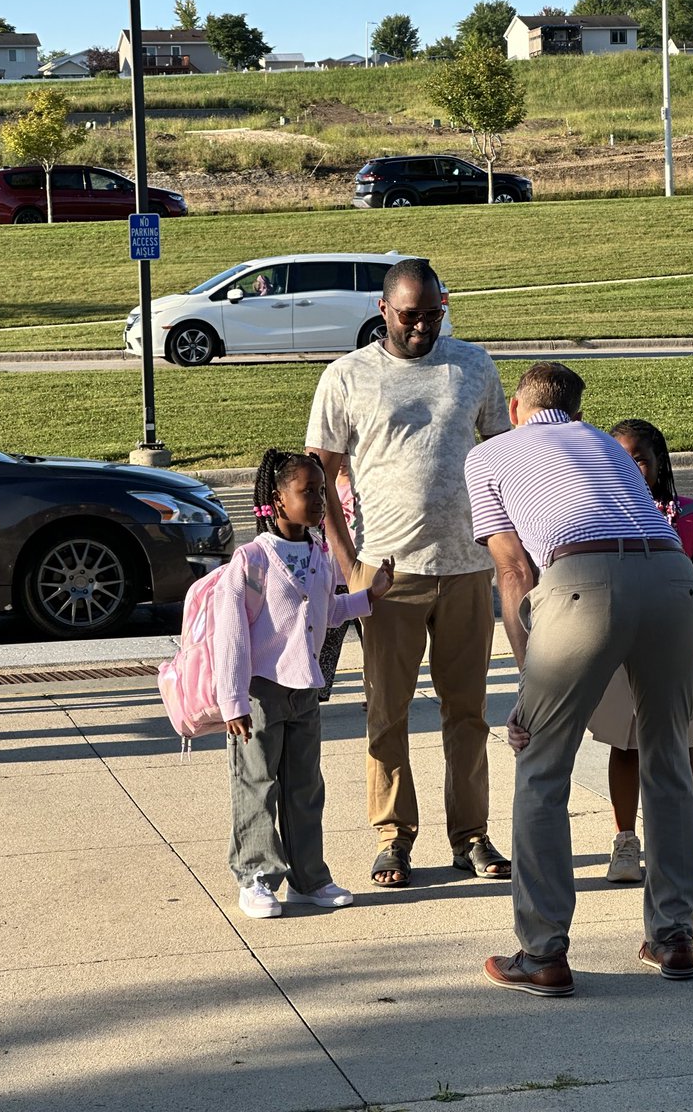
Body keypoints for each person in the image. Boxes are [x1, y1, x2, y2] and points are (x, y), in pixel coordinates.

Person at [465, 362, 693, 995]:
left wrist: (529, 684)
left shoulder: (489, 455)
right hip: (674, 580)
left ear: (516, 406)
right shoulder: (602, 442)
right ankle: (672, 937)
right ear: (573, 410)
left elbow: (513, 571)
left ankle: (543, 951)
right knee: (669, 758)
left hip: (582, 583)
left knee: (542, 764)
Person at [306, 257, 512, 889]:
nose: (423, 326)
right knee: (386, 711)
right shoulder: (347, 377)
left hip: (467, 568)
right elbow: (317, 479)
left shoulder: (472, 366)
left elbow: (504, 458)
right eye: (411, 315)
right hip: (386, 575)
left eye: (434, 314)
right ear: (383, 310)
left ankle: (471, 836)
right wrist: (350, 570)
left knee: (468, 712)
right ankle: (394, 837)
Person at [213, 448, 394, 919]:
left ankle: (309, 878)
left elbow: (325, 614)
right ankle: (256, 877)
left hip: (304, 691)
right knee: (256, 783)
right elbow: (230, 635)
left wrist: (368, 597)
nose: (318, 500)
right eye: (307, 491)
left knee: (304, 786)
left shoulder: (318, 555)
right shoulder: (251, 560)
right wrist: (232, 701)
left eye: (322, 490)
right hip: (260, 692)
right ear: (277, 500)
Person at [586, 420, 693, 885]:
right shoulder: (593, 514)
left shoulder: (691, 517)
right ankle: (625, 842)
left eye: (639, 458)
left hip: (680, 649)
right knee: (625, 745)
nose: (630, 467)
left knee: (679, 743)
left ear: (658, 465)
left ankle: (680, 840)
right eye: (619, 457)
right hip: (617, 651)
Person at [318, 455, 364, 702]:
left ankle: (376, 689)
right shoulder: (324, 490)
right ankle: (318, 693)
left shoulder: (363, 485)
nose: (343, 460)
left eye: (348, 453)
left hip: (362, 573)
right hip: (332, 575)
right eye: (339, 454)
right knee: (328, 639)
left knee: (372, 639)